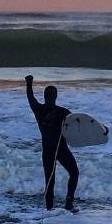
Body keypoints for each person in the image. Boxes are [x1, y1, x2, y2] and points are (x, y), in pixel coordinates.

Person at [25, 75, 78, 211]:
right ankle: (69, 202)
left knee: (49, 180)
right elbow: (79, 125)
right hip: (61, 149)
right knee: (74, 173)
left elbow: (30, 98)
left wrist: (29, 83)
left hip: (47, 150)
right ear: (56, 96)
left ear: (44, 96)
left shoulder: (38, 110)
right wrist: (101, 131)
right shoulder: (63, 112)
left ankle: (49, 209)